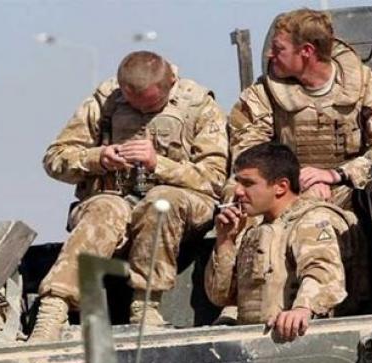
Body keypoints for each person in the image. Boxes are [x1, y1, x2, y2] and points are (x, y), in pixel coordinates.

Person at [30, 51, 228, 342]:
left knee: (161, 201)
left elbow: (215, 179)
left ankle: (146, 305)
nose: (142, 112)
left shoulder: (198, 105)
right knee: (104, 209)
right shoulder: (105, 102)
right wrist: (98, 158)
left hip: (182, 205)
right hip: (116, 202)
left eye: (151, 106)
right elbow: (55, 159)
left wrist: (158, 164)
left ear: (171, 83)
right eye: (134, 105)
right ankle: (53, 308)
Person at [227, 8, 372, 275]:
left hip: (353, 187)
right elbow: (249, 154)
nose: (270, 55)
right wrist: (296, 180)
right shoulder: (262, 95)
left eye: (279, 49)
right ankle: (244, 288)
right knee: (241, 194)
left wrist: (336, 175)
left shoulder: (368, 87)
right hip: (287, 187)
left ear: (307, 51)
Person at [205, 143, 363, 342]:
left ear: (281, 187)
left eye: (248, 183)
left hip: (301, 342)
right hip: (255, 341)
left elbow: (323, 272)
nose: (238, 191)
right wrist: (225, 241)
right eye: (238, 182)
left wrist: (303, 308)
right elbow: (220, 296)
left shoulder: (311, 219)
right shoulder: (253, 228)